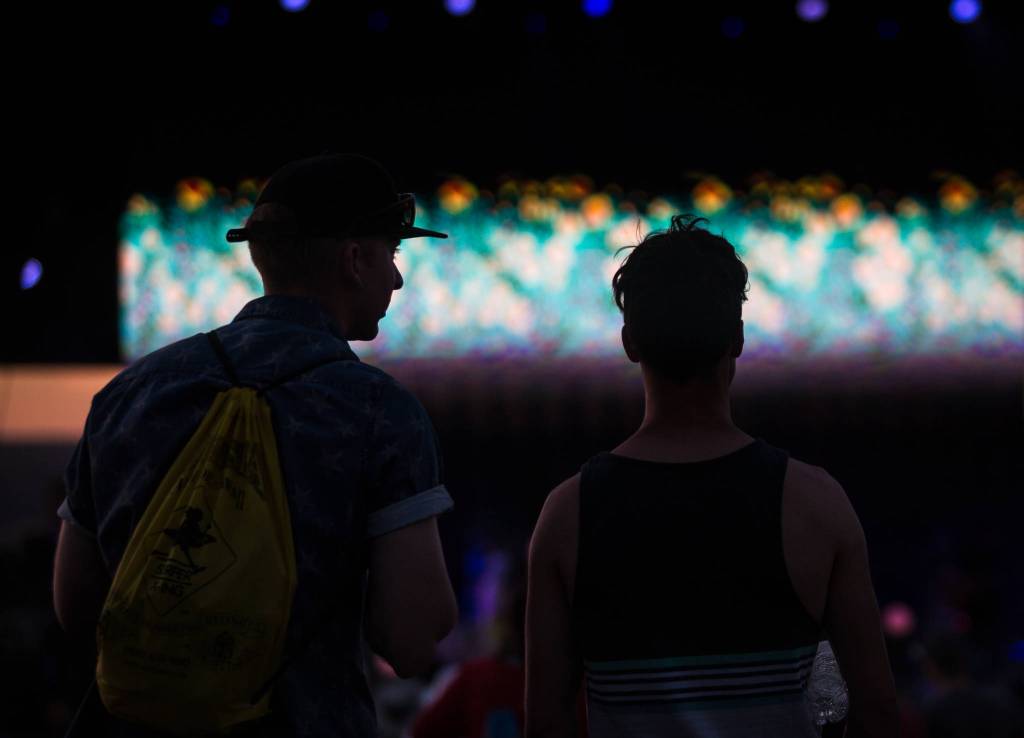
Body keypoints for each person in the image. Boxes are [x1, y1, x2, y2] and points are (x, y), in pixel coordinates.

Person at [52, 153, 458, 737]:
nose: (395, 277)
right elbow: (412, 639)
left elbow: (75, 604)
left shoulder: (129, 393)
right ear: (354, 259)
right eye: (392, 255)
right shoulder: (378, 411)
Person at [525, 215, 898, 737]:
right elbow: (877, 712)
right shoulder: (815, 503)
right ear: (738, 339)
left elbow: (547, 723)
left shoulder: (568, 515)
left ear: (630, 342)